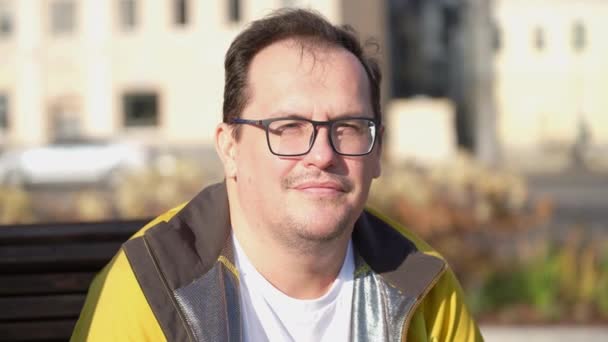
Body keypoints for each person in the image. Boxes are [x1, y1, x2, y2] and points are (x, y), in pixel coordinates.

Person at [72, 8, 482, 342]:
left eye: (349, 127)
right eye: (287, 127)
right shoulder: (152, 285)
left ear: (377, 153)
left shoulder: (422, 283)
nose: (323, 154)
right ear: (229, 147)